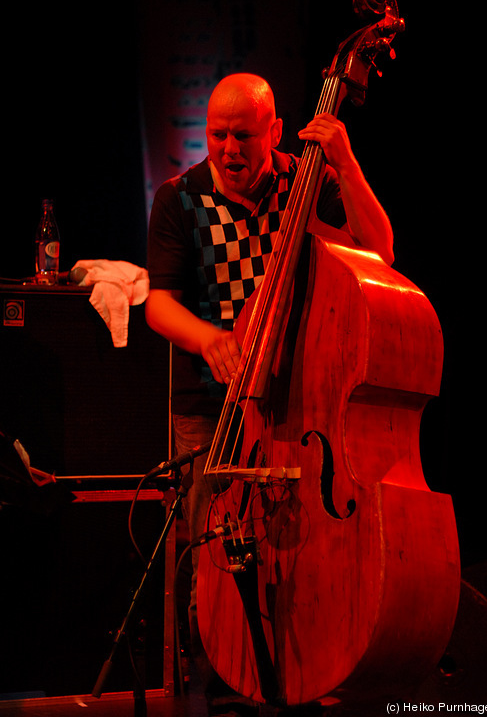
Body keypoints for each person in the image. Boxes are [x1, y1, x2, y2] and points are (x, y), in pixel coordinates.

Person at [145, 72, 394, 716]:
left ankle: (308, 668)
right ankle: (224, 682)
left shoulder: (305, 180)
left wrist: (344, 159)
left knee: (306, 547)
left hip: (303, 403)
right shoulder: (180, 198)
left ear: (275, 132)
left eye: (244, 136)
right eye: (218, 135)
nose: (229, 150)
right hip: (216, 407)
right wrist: (210, 339)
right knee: (220, 551)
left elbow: (380, 251)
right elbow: (159, 305)